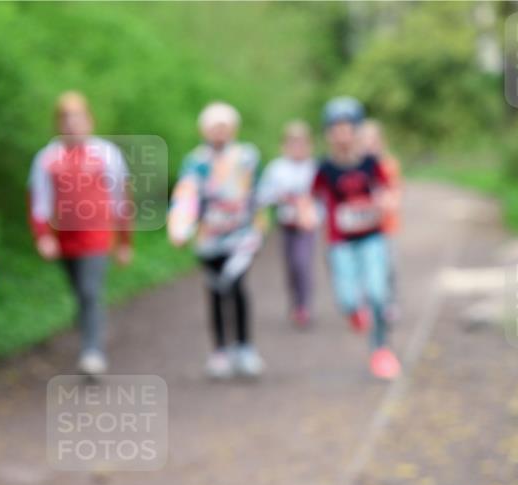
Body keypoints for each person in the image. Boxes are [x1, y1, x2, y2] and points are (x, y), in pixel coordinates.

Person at [27, 91, 133, 376]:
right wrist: (43, 236)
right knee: (80, 292)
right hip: (65, 238)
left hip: (97, 235)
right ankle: (92, 331)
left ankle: (92, 351)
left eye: (78, 118)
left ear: (90, 121)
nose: (72, 125)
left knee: (89, 290)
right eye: (66, 119)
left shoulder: (107, 154)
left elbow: (121, 198)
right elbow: (39, 201)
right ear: (58, 124)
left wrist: (124, 241)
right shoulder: (47, 158)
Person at [168, 101, 265, 379]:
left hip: (241, 237)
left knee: (235, 285)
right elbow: (186, 196)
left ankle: (244, 348)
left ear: (233, 128)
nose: (219, 132)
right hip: (209, 239)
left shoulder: (247, 157)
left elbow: (256, 192)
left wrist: (259, 223)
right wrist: (180, 228)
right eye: (214, 127)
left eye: (224, 126)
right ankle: (220, 350)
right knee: (215, 291)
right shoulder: (196, 161)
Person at [312, 97, 400, 380]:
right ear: (328, 133)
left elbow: (387, 189)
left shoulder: (370, 162)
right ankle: (355, 313)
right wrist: (307, 213)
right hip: (341, 244)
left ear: (357, 131)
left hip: (372, 239)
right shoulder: (324, 168)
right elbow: (310, 197)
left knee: (377, 294)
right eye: (336, 128)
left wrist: (386, 202)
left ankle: (381, 351)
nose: (342, 134)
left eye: (348, 128)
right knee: (348, 300)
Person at [256, 120, 320, 328]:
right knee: (291, 266)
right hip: (286, 224)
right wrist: (280, 198)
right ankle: (295, 303)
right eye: (293, 143)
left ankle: (303, 306)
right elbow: (263, 195)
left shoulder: (315, 167)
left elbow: (325, 197)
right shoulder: (277, 168)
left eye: (302, 143)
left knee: (303, 263)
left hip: (307, 225)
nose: (298, 147)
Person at [359, 118, 403, 321]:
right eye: (364, 141)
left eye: (372, 141)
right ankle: (367, 304)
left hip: (386, 226)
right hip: (362, 228)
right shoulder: (356, 167)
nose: (369, 145)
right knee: (365, 268)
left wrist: (384, 201)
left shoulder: (388, 165)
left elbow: (395, 193)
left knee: (389, 266)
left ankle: (390, 301)